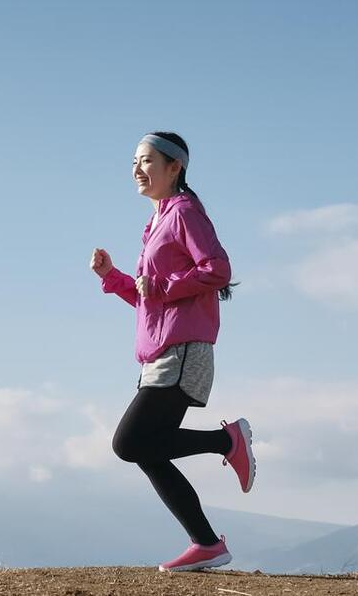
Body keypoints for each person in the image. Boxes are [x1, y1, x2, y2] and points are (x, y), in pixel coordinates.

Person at [91, 131, 255, 573]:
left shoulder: (184, 212)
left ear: (174, 167)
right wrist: (115, 278)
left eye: (146, 161)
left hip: (183, 350)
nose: (137, 170)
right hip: (160, 352)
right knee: (147, 450)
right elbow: (152, 299)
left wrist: (162, 285)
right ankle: (206, 544)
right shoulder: (158, 221)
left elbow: (217, 269)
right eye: (133, 162)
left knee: (129, 442)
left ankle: (228, 440)